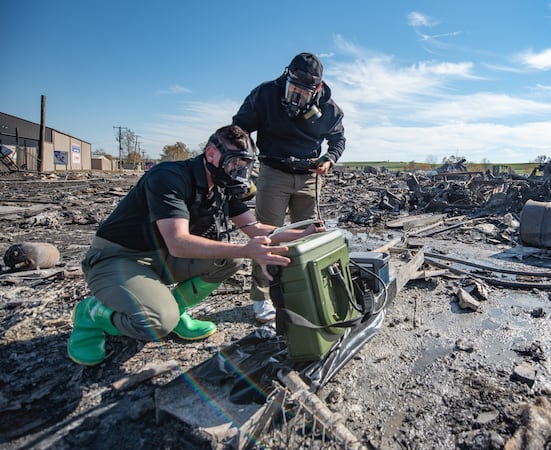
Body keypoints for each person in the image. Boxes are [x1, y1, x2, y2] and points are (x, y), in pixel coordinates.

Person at [67, 124, 325, 366]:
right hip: (118, 258)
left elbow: (255, 228)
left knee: (229, 260)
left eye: (244, 164)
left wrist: (304, 232)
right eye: (234, 162)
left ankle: (175, 311)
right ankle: (92, 315)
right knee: (156, 323)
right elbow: (179, 243)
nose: (238, 170)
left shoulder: (225, 185)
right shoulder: (169, 176)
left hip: (160, 257)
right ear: (211, 153)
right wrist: (247, 250)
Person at [232, 52, 346, 323]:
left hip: (309, 176)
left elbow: (338, 140)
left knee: (307, 236)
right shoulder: (265, 95)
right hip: (273, 173)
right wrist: (242, 159)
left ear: (317, 88)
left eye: (304, 90)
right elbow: (240, 128)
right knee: (267, 236)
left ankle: (303, 291)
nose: (296, 94)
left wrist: (329, 160)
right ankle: (261, 298)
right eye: (293, 86)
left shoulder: (329, 109)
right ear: (287, 76)